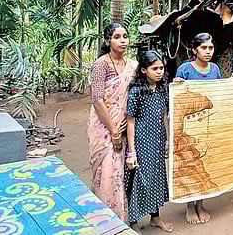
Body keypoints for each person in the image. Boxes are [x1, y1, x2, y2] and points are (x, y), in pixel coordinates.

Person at [87, 22, 137, 221]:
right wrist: (114, 131)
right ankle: (105, 221)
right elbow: (97, 100)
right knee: (107, 173)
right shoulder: (101, 65)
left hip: (127, 126)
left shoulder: (132, 65)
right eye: (117, 36)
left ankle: (121, 219)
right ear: (107, 40)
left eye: (125, 36)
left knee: (123, 174)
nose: (122, 40)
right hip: (104, 129)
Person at [173, 33, 221, 225]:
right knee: (187, 164)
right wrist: (176, 84)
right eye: (204, 48)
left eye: (210, 48)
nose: (208, 51)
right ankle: (189, 207)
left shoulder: (215, 69)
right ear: (195, 50)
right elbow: (178, 101)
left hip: (205, 125)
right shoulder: (184, 69)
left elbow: (217, 95)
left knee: (204, 163)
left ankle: (200, 205)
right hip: (187, 128)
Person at [125, 51, 173, 234]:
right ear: (144, 70)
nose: (159, 72)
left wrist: (167, 140)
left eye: (161, 68)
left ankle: (155, 218)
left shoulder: (163, 89)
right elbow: (131, 121)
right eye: (155, 68)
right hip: (141, 141)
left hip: (158, 140)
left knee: (157, 178)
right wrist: (132, 152)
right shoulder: (137, 91)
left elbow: (168, 115)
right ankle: (134, 223)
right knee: (139, 179)